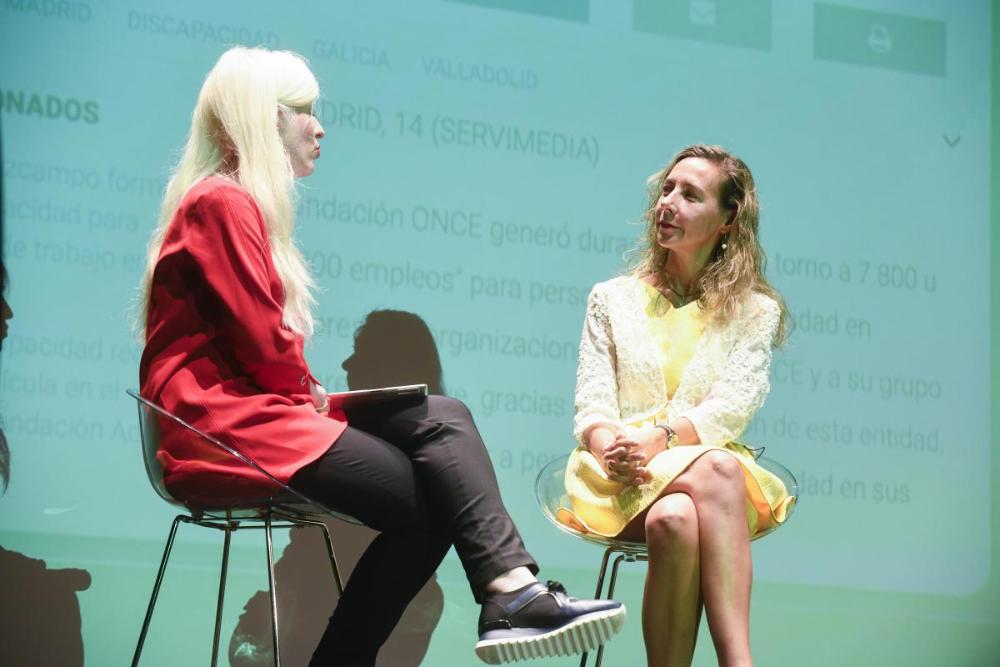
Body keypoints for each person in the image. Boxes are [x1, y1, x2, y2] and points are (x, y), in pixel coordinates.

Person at [137, 46, 624, 667]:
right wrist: (310, 393)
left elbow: (259, 348)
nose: (319, 127)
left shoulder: (228, 203)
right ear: (263, 118)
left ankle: (511, 592)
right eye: (303, 111)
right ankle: (508, 595)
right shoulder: (223, 202)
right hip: (229, 428)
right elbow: (261, 344)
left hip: (257, 416)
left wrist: (310, 392)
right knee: (438, 489)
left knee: (443, 418)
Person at [566, 144, 795, 667]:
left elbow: (732, 407)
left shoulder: (755, 311)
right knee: (717, 469)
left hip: (694, 473)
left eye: (690, 195)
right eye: (666, 189)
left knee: (674, 518)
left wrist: (663, 438)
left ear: (727, 219)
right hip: (618, 476)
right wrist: (613, 449)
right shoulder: (612, 297)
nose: (667, 202)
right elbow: (592, 408)